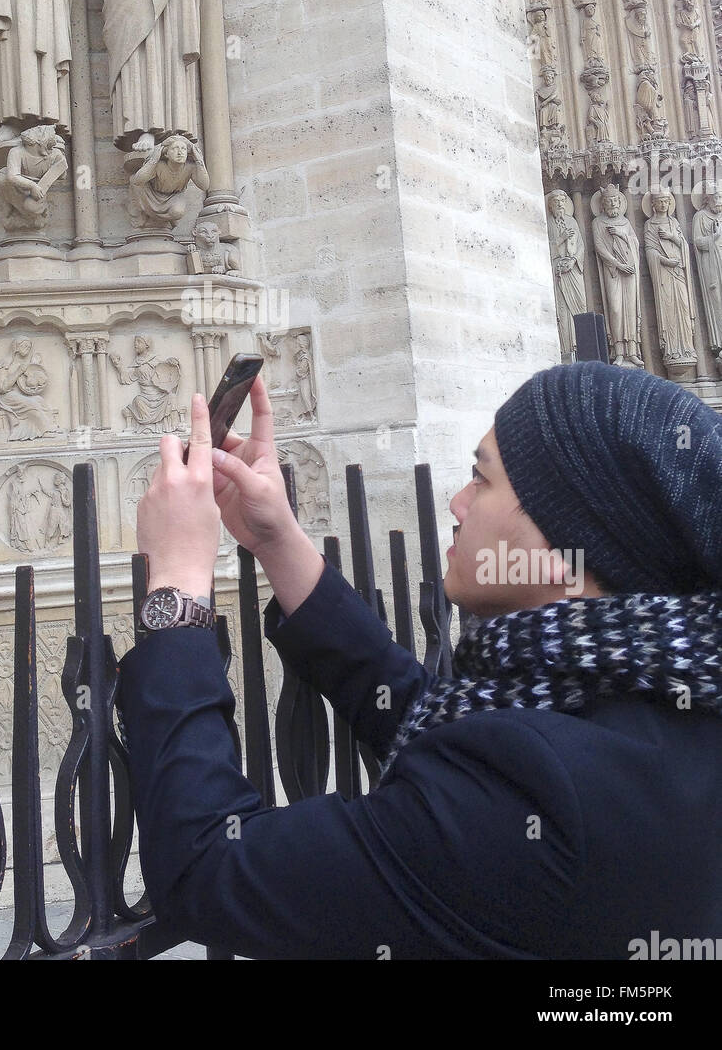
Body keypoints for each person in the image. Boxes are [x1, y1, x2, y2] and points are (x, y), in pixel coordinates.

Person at [116, 365, 722, 959]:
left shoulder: (543, 796)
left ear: (568, 544)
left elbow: (207, 868)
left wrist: (177, 586)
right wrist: (279, 541)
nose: (458, 503)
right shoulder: (659, 698)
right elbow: (429, 718)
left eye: (482, 480)